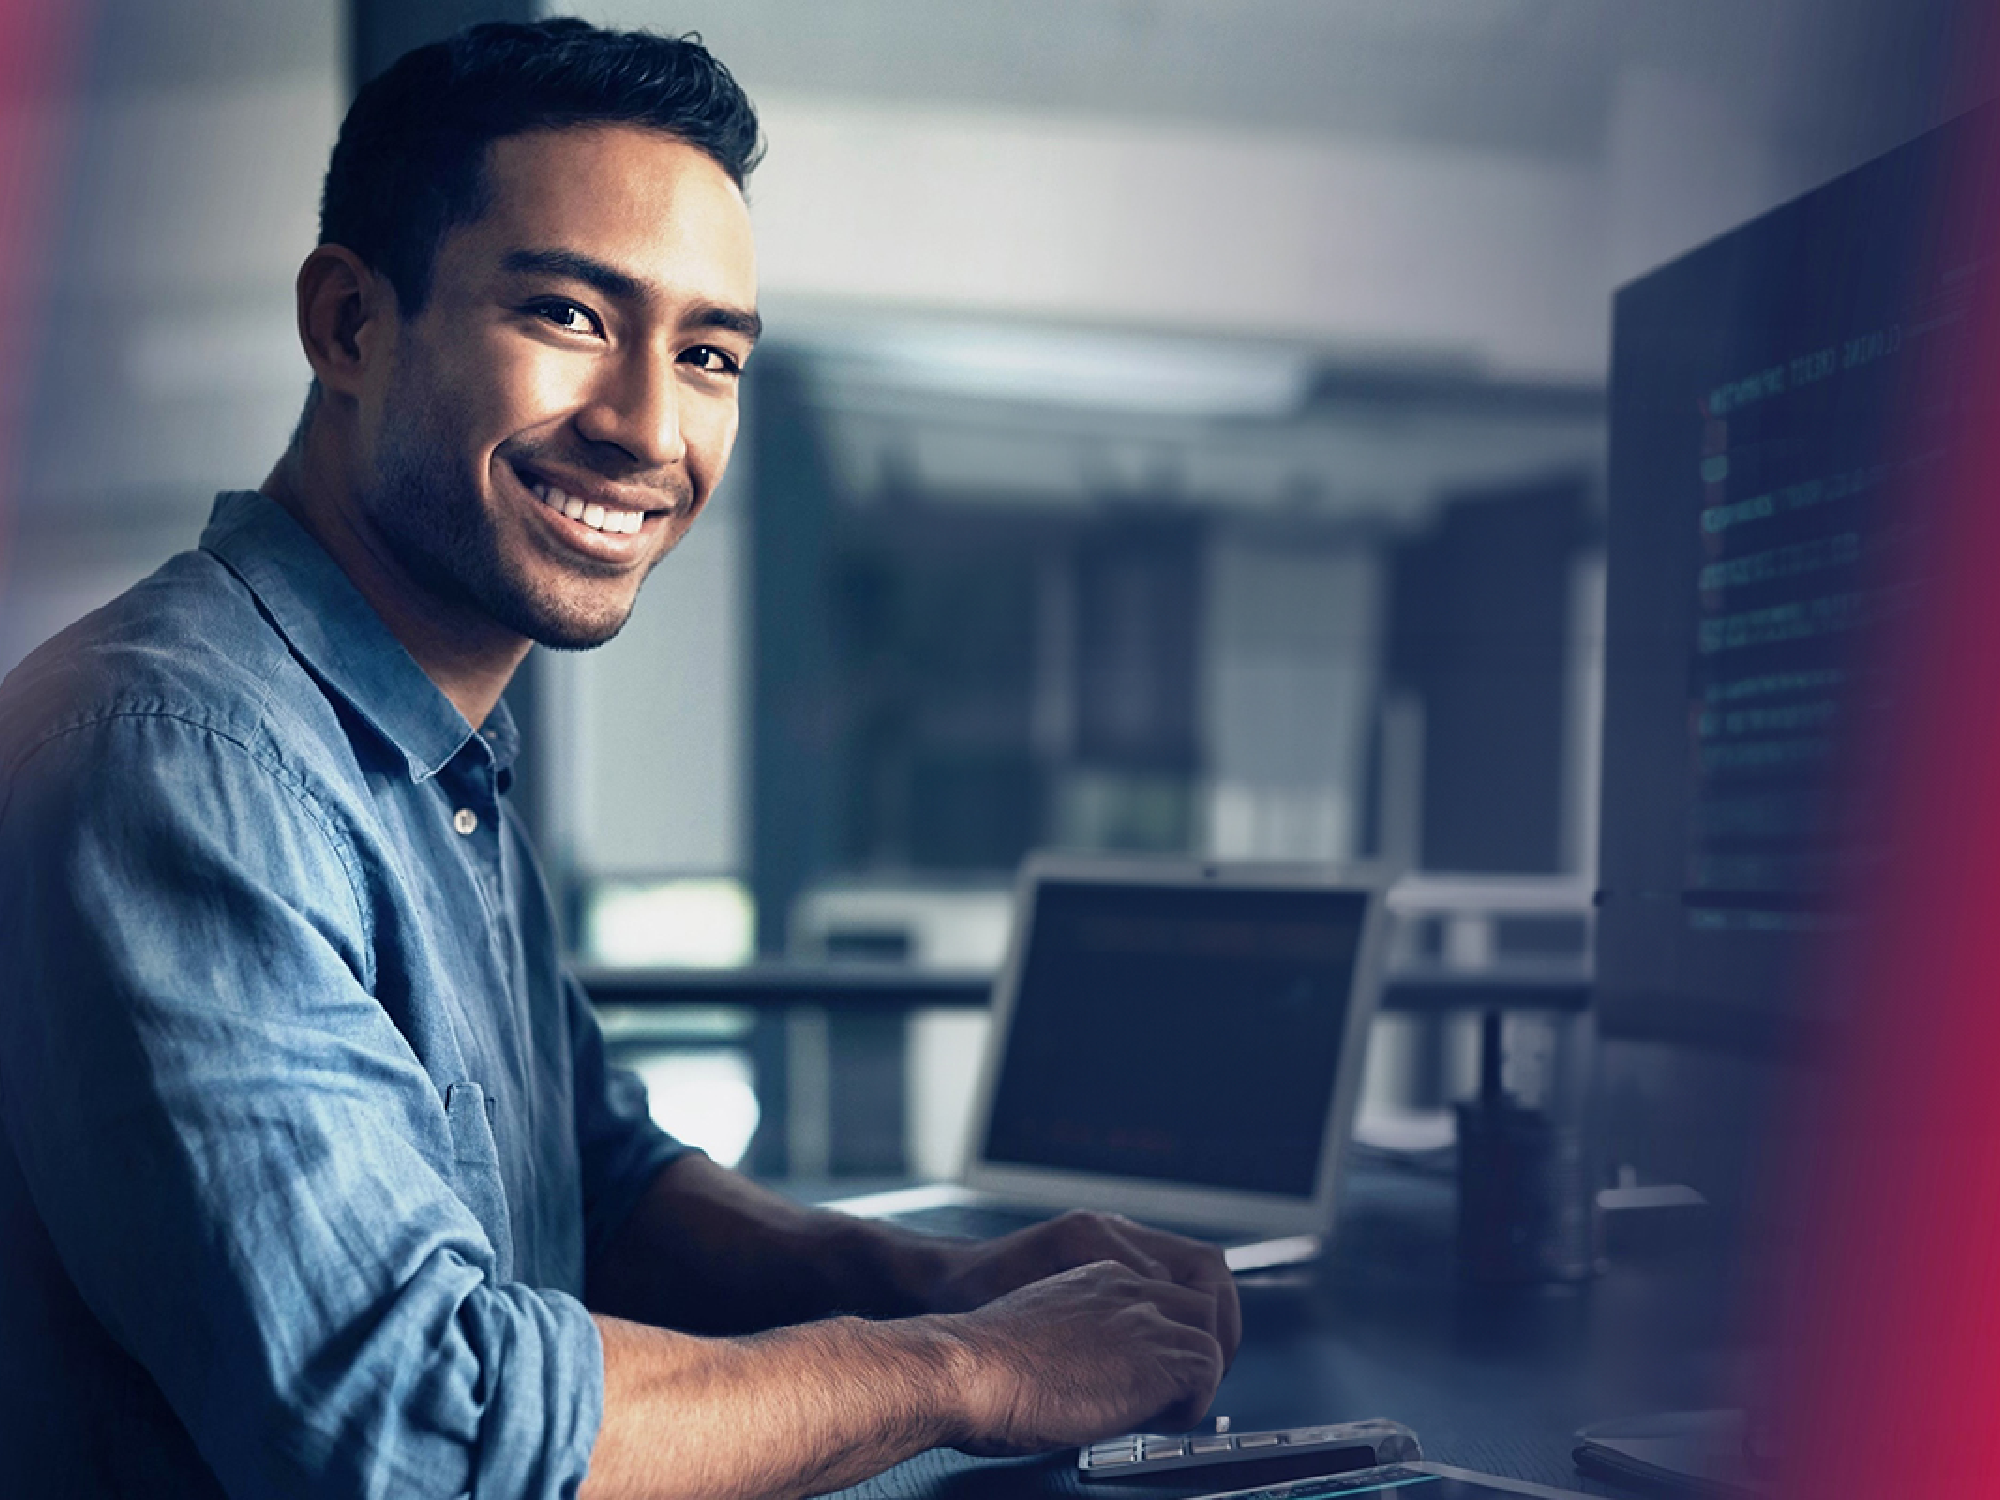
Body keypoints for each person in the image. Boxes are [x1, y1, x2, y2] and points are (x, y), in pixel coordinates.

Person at [0, 19, 1237, 1500]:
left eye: (706, 354)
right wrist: (971, 1371)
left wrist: (940, 1280)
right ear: (349, 325)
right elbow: (415, 1422)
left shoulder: (420, 747)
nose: (650, 426)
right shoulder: (180, 757)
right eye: (572, 317)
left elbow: (594, 1181)